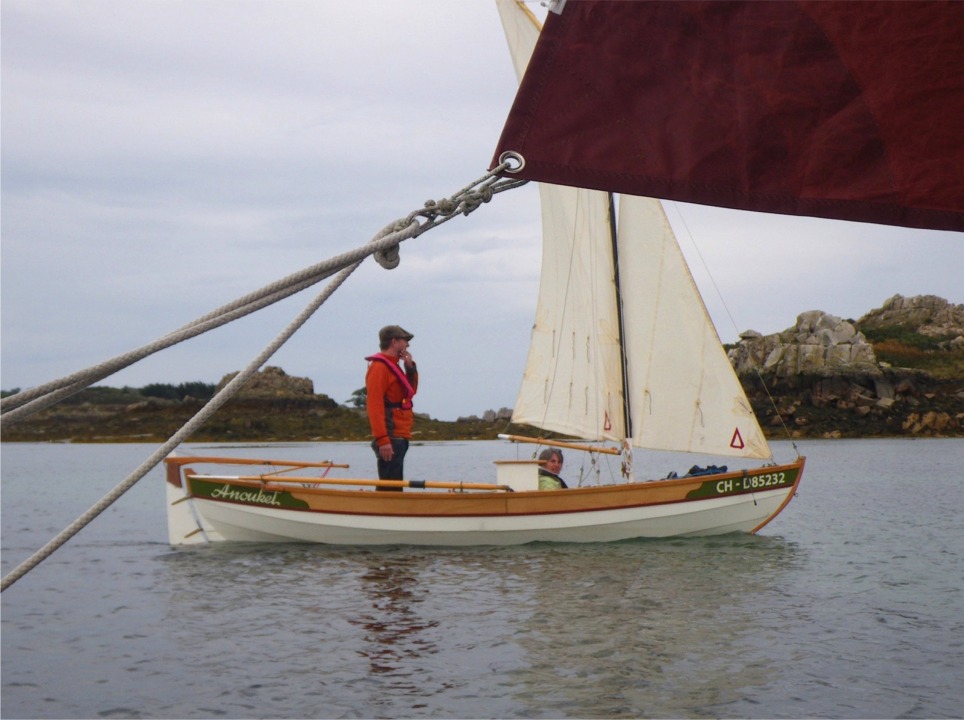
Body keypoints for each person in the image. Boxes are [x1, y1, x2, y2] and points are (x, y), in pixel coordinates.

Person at [365, 325, 418, 490]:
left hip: (399, 435)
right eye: (405, 341)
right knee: (390, 486)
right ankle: (387, 512)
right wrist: (382, 439)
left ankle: (393, 511)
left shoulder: (394, 366)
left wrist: (410, 369)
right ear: (394, 342)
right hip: (391, 436)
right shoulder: (379, 367)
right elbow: (374, 405)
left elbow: (409, 392)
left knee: (394, 484)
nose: (408, 345)